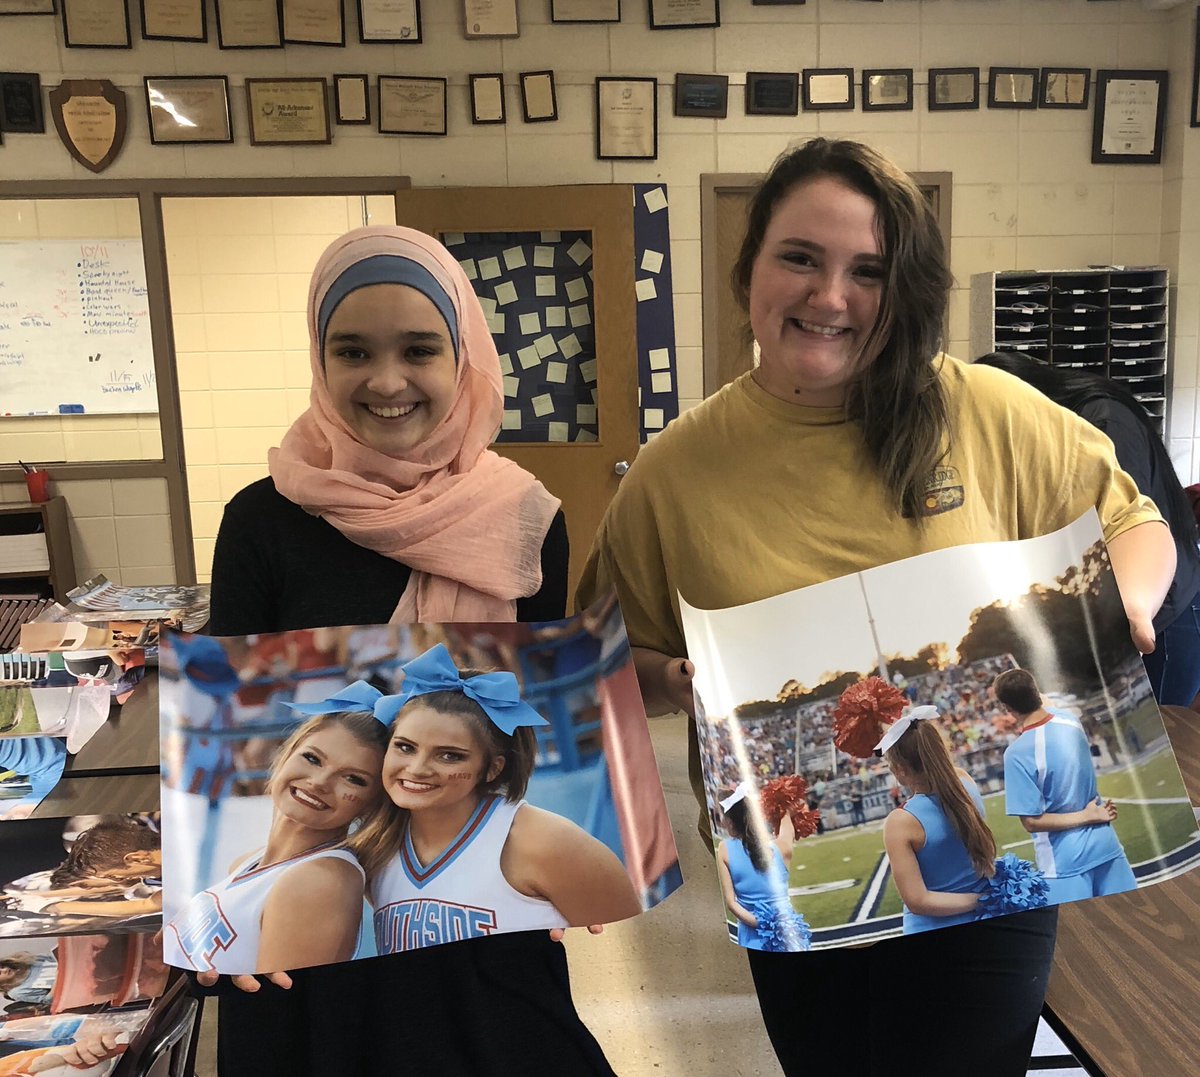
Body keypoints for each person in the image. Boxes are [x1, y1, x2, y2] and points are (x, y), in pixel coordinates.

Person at [577, 137, 1174, 1075]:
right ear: (748, 269)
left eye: (869, 271)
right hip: (784, 880)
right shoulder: (672, 473)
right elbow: (608, 663)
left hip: (980, 866)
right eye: (800, 258)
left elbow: (1136, 522)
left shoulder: (986, 413)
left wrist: (1124, 605)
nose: (831, 296)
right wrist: (676, 677)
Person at [203, 226, 611, 1077]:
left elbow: (519, 709)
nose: (387, 381)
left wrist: (571, 877)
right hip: (320, 955)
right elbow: (222, 707)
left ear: (464, 357)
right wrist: (207, 924)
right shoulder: (263, 522)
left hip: (472, 929)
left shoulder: (525, 519)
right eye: (353, 350)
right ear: (319, 359)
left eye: (419, 349)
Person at [358, 644, 640, 952]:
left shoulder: (548, 844)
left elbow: (634, 954)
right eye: (405, 747)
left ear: (493, 769)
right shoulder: (373, 848)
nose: (417, 769)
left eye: (450, 756)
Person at [975, 351, 1200, 708]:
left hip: (1162, 607)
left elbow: (1118, 527)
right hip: (1116, 604)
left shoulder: (1100, 421)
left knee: (1163, 720)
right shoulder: (1051, 429)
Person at [165, 683, 388, 976]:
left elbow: (279, 1002)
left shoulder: (320, 881)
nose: (319, 782)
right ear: (287, 753)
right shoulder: (249, 863)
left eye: (353, 779)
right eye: (312, 758)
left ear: (372, 803)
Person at [993, 669, 1136, 903]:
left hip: (1063, 862)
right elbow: (1045, 706)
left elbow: (1032, 822)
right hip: (1105, 845)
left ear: (1007, 708)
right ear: (1035, 692)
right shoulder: (1070, 721)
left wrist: (1087, 816)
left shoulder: (1016, 754)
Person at [877, 707, 995, 934]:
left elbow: (918, 901)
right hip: (989, 916)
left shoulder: (901, 821)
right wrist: (990, 898)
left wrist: (980, 900)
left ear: (901, 770)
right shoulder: (964, 780)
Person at [714, 782, 810, 952]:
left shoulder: (724, 849)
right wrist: (785, 807)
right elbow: (788, 819)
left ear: (729, 822)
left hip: (752, 937)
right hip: (788, 934)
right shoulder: (782, 847)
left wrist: (763, 924)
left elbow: (731, 903)